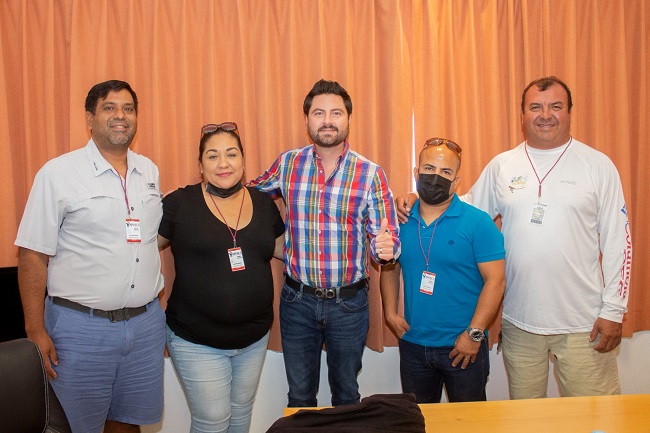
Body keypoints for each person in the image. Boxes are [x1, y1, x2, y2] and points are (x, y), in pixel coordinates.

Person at [397, 76, 632, 399]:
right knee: (525, 418)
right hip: (519, 322)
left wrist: (613, 310)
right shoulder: (503, 166)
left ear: (569, 112)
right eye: (535, 107)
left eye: (555, 106)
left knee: (595, 417)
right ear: (522, 115)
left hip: (584, 322)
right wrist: (416, 197)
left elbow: (619, 241)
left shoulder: (597, 166)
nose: (545, 115)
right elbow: (462, 206)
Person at [15, 80, 166, 433]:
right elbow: (32, 254)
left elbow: (145, 241)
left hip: (145, 326)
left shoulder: (149, 170)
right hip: (80, 329)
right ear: (89, 118)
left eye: (128, 108)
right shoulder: (58, 173)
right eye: (109, 108)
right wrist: (35, 329)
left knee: (129, 423)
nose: (120, 116)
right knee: (74, 426)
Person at [249, 79, 401, 407]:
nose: (327, 120)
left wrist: (386, 249)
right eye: (319, 113)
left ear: (348, 118)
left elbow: (386, 236)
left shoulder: (370, 173)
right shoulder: (287, 164)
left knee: (346, 396)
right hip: (297, 301)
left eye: (336, 113)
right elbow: (247, 195)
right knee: (300, 397)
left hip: (349, 304)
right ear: (307, 119)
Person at [158, 122, 285, 433]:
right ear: (200, 166)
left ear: (243, 160)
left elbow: (286, 251)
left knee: (240, 414)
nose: (223, 163)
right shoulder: (179, 204)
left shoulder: (263, 204)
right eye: (212, 156)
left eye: (231, 154)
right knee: (212, 420)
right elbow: (142, 249)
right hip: (195, 338)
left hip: (254, 336)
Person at [381, 137, 505, 403]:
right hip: (413, 344)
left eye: (445, 172)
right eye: (429, 168)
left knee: (469, 421)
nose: (435, 177)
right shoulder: (400, 220)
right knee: (418, 420)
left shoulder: (478, 222)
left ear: (456, 181)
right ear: (416, 173)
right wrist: (390, 313)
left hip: (463, 347)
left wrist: (474, 334)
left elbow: (496, 281)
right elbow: (390, 267)